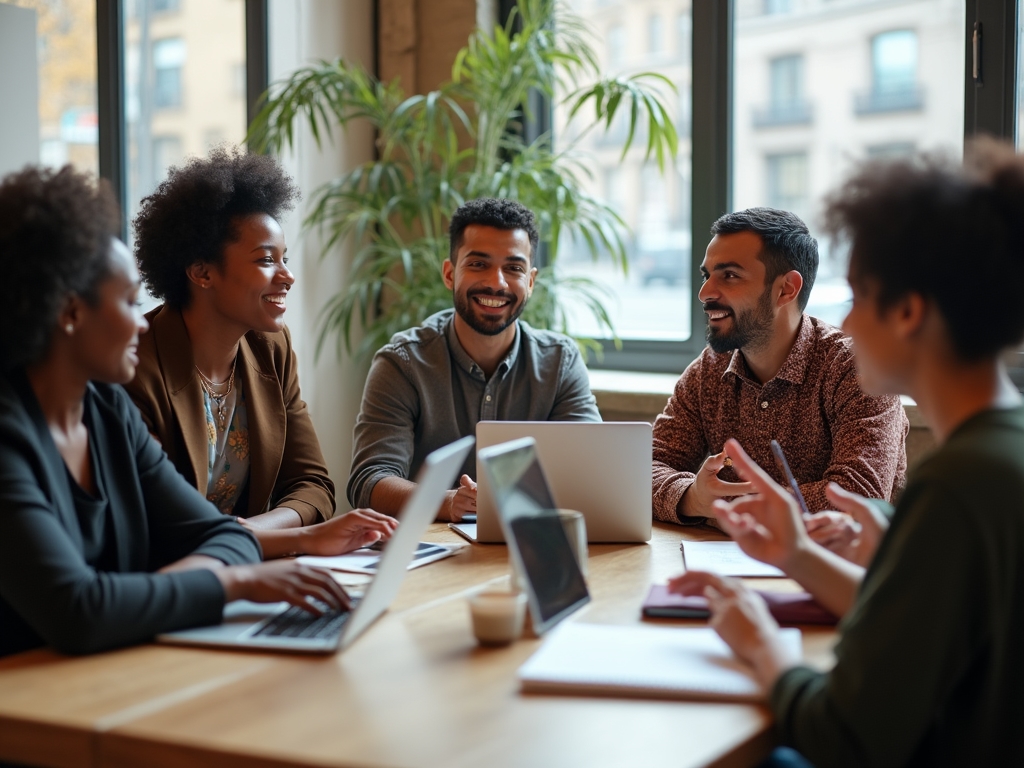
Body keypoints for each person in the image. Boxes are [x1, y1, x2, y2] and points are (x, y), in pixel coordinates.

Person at [670, 143, 1024, 766]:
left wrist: (767, 653)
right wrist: (798, 554)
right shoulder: (1001, 450)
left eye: (859, 297)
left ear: (909, 312)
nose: (849, 324)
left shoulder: (956, 487)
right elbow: (921, 631)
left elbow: (844, 737)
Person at [0, 166, 350, 658]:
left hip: (116, 662)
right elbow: (77, 611)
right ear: (71, 312)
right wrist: (238, 583)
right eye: (127, 302)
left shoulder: (107, 411)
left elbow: (223, 536)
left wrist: (233, 564)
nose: (141, 325)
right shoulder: (10, 436)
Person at [127, 147, 396, 559]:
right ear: (202, 272)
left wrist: (251, 532)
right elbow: (154, 525)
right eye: (266, 260)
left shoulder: (271, 347)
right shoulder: (135, 367)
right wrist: (288, 539)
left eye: (284, 258)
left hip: (249, 567)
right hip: (169, 587)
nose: (287, 276)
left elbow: (313, 486)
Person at [651, 207, 908, 553]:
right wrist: (691, 498)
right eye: (706, 275)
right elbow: (645, 468)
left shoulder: (857, 368)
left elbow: (859, 497)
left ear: (786, 289)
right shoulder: (709, 371)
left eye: (729, 276)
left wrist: (730, 506)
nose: (705, 293)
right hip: (733, 567)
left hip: (845, 580)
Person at [347, 198, 601, 521]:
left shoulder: (561, 363)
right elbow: (368, 482)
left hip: (532, 545)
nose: (497, 283)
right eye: (479, 264)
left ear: (531, 282)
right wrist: (447, 501)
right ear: (450, 274)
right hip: (431, 559)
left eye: (514, 268)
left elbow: (591, 477)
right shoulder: (402, 363)